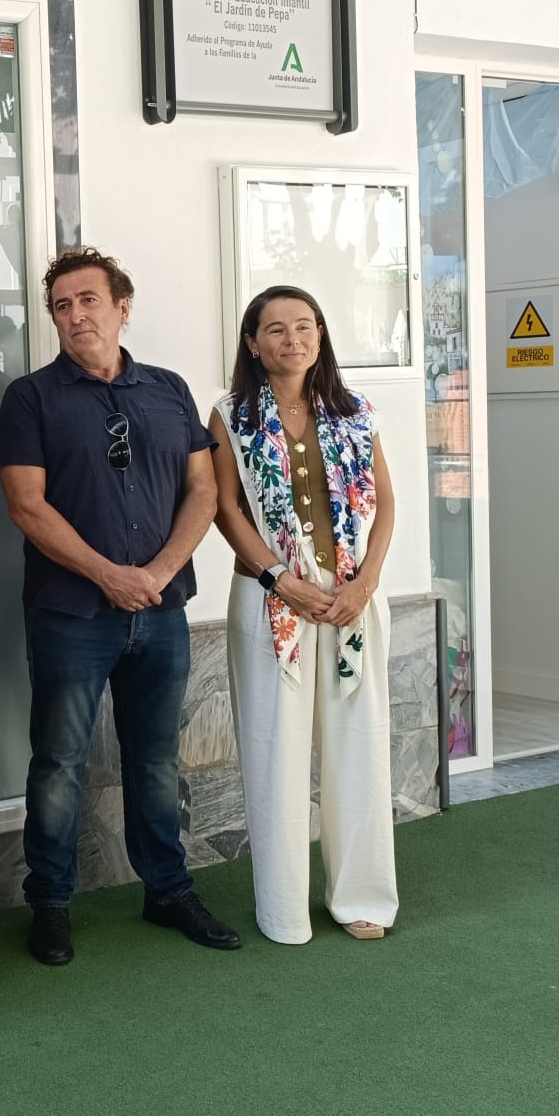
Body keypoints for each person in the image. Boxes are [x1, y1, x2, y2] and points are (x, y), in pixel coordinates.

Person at [0, 245, 242, 964]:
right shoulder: (30, 399)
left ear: (121, 307)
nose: (75, 316)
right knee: (59, 762)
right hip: (71, 616)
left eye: (88, 301)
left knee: (157, 760)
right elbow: (26, 507)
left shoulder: (169, 390)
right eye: (62, 306)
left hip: (161, 611)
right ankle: (52, 903)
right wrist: (110, 575)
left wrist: (156, 571)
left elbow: (204, 490)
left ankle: (167, 890)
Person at [209, 285, 399, 945]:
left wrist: (368, 581)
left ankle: (363, 897)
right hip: (270, 603)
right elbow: (226, 510)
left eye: (305, 325)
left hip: (351, 603)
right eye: (277, 329)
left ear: (320, 334)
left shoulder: (354, 410)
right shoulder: (229, 414)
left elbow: (388, 505)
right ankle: (284, 909)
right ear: (253, 342)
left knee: (360, 745)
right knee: (275, 755)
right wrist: (279, 579)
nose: (293, 338)